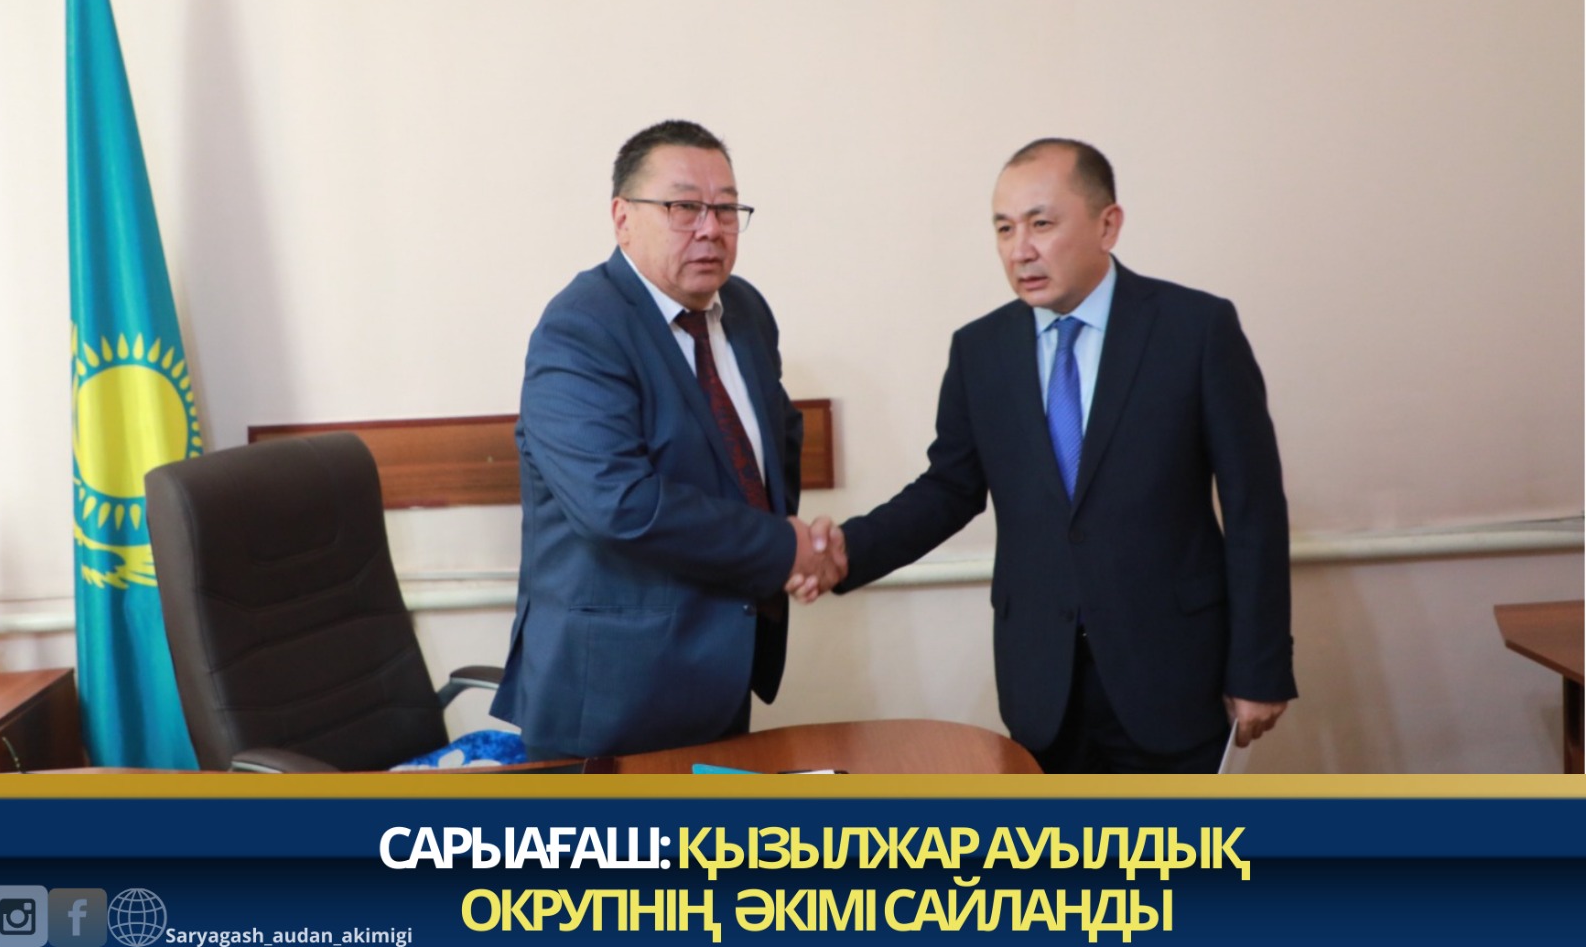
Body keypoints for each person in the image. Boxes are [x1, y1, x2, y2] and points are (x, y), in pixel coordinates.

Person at [796, 139, 1295, 773]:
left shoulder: (1195, 329)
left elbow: (1254, 508)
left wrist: (1260, 666)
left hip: (1173, 676)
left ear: (1107, 225)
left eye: (1041, 224)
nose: (1019, 250)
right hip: (1044, 685)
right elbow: (949, 489)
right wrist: (845, 552)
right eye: (1004, 228)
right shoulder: (980, 350)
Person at [490, 120, 843, 759]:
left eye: (726, 209)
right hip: (609, 695)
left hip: (722, 664)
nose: (710, 228)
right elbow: (618, 505)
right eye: (684, 207)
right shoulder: (580, 328)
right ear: (622, 218)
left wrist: (793, 547)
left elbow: (772, 446)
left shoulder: (745, 311)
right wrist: (780, 548)